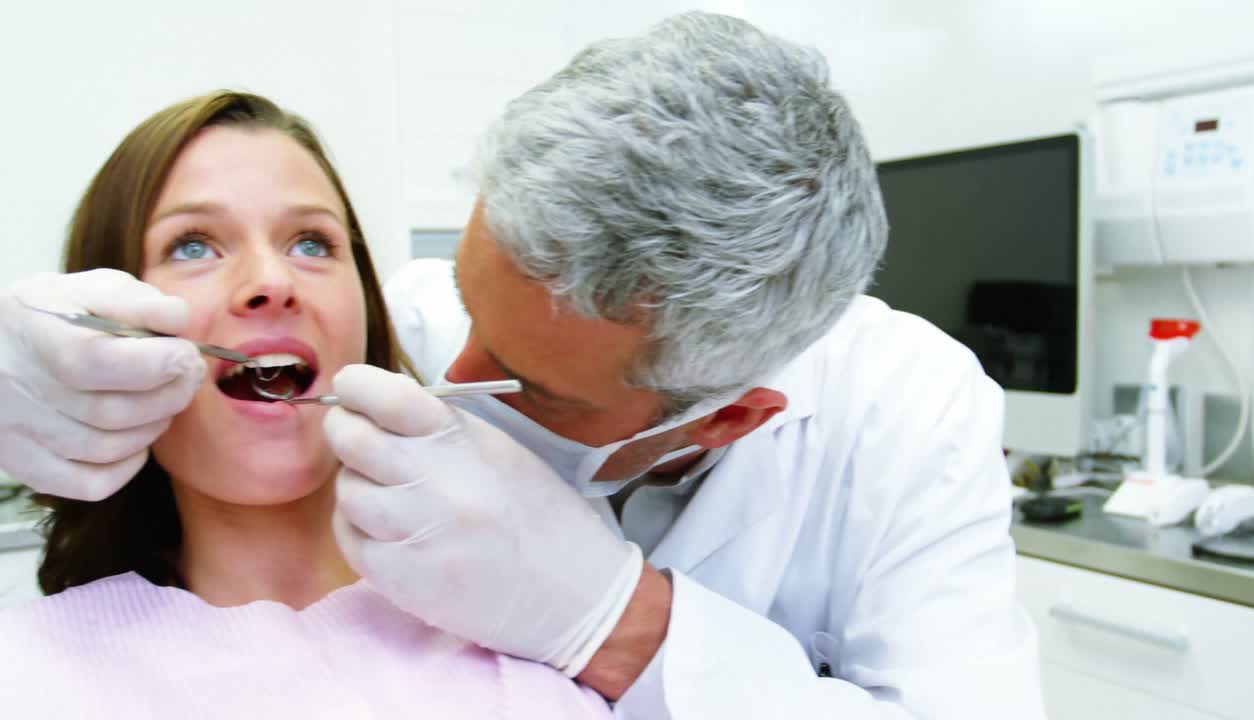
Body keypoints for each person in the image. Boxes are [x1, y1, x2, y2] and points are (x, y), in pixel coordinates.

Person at [0, 13, 1047, 719]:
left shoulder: (904, 412)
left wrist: (615, 621)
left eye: (314, 241)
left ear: (718, 421)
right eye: (194, 244)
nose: (443, 371)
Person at [0, 91, 609, 719]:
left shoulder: (534, 651)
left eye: (312, 243)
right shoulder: (25, 678)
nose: (271, 282)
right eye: (192, 245)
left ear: (367, 320)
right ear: (96, 347)